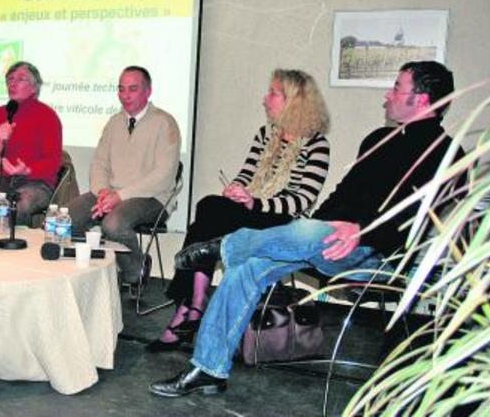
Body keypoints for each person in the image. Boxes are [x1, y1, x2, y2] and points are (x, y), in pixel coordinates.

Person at [150, 61, 463, 397]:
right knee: (248, 268)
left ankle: (224, 247)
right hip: (324, 240)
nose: (387, 95)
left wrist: (360, 231)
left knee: (306, 234)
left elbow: (413, 218)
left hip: (377, 254)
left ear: (422, 99)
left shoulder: (447, 154)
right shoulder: (377, 138)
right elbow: (343, 192)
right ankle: (208, 369)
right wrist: (322, 222)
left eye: (397, 88)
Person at [147, 69, 331, 352]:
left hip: (282, 219)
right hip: (252, 207)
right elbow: (246, 175)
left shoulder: (317, 145)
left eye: (272, 93)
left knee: (206, 217)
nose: (265, 99)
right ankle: (195, 304)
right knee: (209, 208)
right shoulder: (265, 136)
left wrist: (255, 203)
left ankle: (189, 309)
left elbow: (303, 200)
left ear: (294, 100)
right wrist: (236, 188)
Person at [68, 66, 180, 286]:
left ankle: (135, 269)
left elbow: (163, 176)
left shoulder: (165, 123)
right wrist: (102, 191)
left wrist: (120, 196)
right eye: (121, 89)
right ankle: (91, 275)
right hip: (111, 194)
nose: (125, 95)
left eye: (132, 89)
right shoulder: (113, 123)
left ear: (148, 91)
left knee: (113, 224)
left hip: (151, 198)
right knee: (65, 220)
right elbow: (99, 163)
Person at [0, 61, 62, 226]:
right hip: (3, 180)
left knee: (16, 206)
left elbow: (53, 163)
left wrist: (27, 170)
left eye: (20, 79)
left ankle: (13, 249)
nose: (13, 83)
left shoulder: (47, 116)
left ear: (34, 87)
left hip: (37, 183)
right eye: (10, 79)